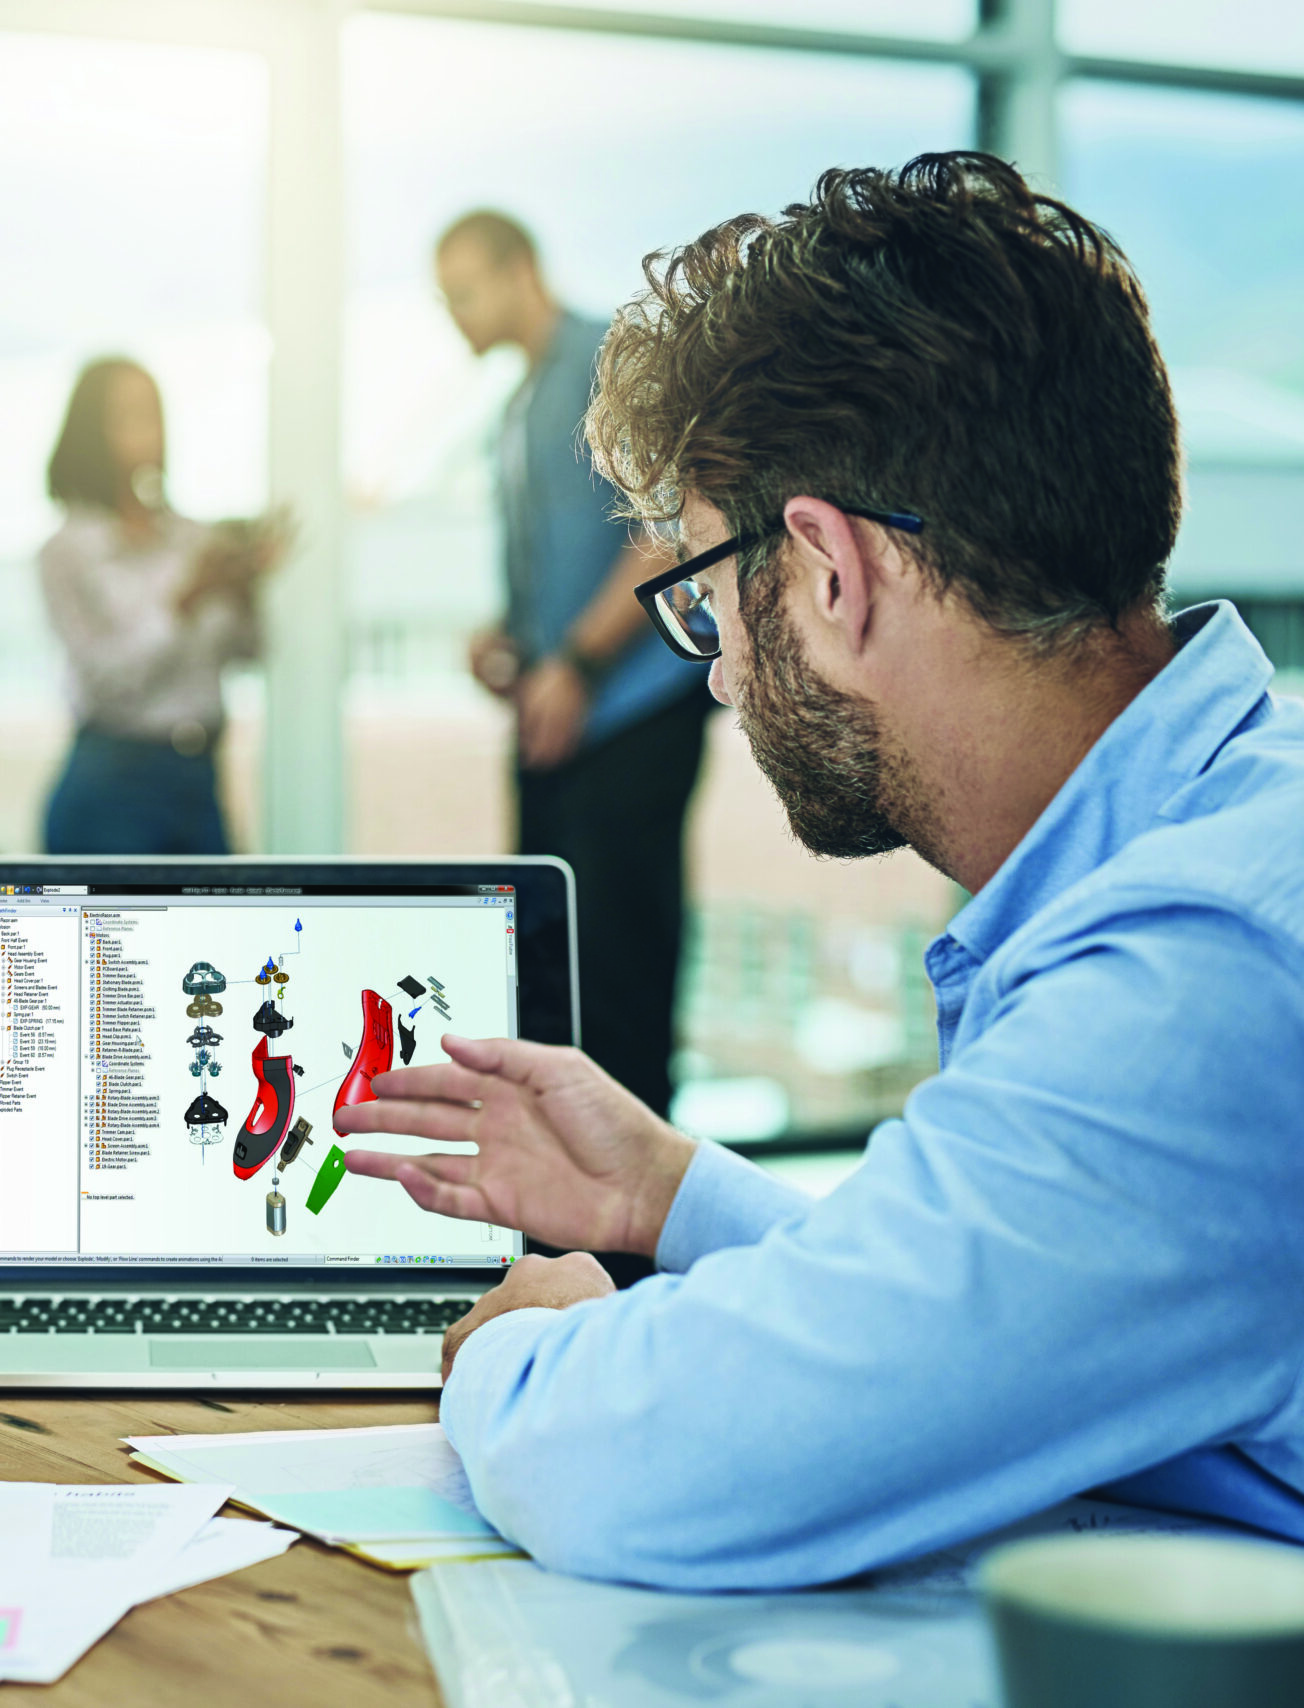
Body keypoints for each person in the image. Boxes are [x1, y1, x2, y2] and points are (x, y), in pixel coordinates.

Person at [337, 154, 1304, 1588]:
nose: (721, 673)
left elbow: (657, 1464)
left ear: (831, 573)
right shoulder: (1232, 834)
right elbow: (1036, 1319)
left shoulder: (1199, 964)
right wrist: (676, 1193)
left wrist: (530, 1348)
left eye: (710, 606)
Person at [437, 210, 711, 1119]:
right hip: (560, 728)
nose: (456, 316)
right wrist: (509, 637)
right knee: (548, 984)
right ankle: (561, 1228)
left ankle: (636, 1248)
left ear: (523, 271)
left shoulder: (608, 361)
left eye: (465, 292)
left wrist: (581, 667)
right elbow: (561, 565)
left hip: (628, 719)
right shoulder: (518, 404)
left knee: (621, 988)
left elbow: (668, 530)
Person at [36, 356, 288, 855]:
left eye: (154, 414)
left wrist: (243, 590)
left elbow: (248, 652)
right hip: (113, 784)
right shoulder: (67, 551)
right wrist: (185, 602)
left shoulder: (193, 539)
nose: (149, 432)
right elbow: (107, 682)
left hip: (198, 779)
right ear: (91, 431)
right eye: (129, 415)